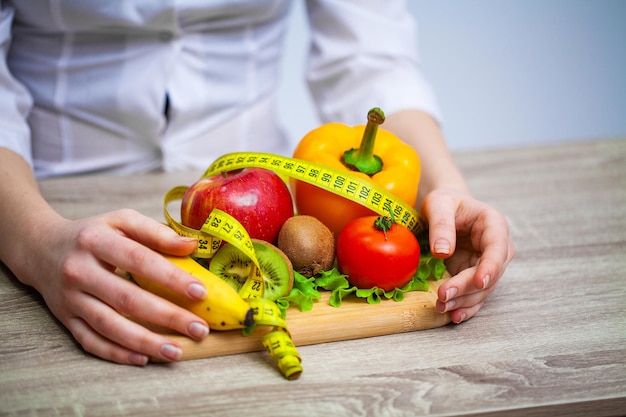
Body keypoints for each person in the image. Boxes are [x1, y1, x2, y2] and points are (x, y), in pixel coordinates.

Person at [0, 1, 514, 365]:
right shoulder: (36, 227)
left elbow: (371, 58)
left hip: (276, 206)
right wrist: (33, 239)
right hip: (40, 199)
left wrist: (448, 190)